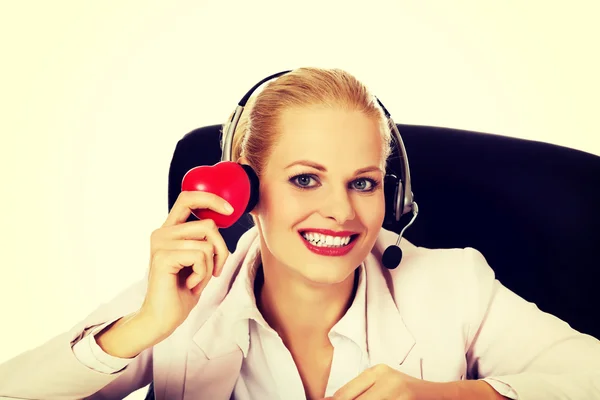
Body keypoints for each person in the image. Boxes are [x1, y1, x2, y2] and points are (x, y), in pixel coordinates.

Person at [1, 68, 599, 400]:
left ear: (390, 195)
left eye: (363, 183)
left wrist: (441, 398)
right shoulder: (188, 295)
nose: (340, 211)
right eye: (306, 179)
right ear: (243, 189)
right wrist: (143, 327)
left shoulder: (454, 286)